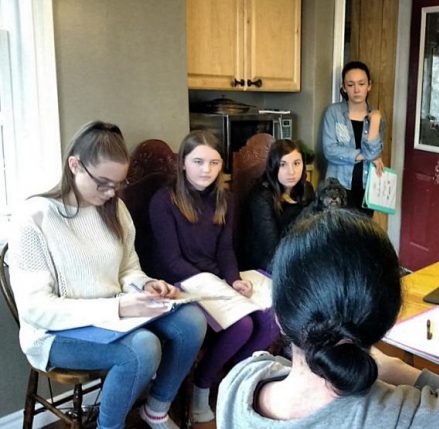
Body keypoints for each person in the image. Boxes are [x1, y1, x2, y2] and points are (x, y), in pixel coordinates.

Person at [216, 210, 439, 429]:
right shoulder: (418, 416)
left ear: (281, 316)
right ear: (386, 320)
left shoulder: (237, 386)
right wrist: (399, 370)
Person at [8, 121, 207, 429]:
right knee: (142, 348)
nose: (112, 191)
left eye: (118, 184)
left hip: (112, 315)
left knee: (192, 320)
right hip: (55, 333)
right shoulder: (34, 218)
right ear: (75, 165)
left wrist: (146, 284)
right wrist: (118, 307)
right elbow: (37, 310)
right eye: (103, 182)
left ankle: (156, 408)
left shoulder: (114, 208)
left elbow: (128, 268)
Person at [148, 130, 280, 423]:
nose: (206, 170)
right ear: (182, 163)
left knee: (271, 320)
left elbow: (225, 250)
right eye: (198, 161)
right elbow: (170, 260)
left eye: (214, 162)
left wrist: (233, 280)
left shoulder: (225, 198)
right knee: (241, 326)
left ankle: (229, 383)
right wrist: (218, 284)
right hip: (179, 282)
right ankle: (201, 387)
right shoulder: (164, 200)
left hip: (216, 279)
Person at [240, 139, 314, 271]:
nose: (291, 171)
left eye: (296, 163)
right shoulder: (261, 197)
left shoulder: (306, 189)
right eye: (283, 164)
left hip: (298, 254)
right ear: (273, 166)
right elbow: (272, 249)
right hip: (264, 263)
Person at [322, 60, 385, 213]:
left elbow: (375, 152)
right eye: (350, 85)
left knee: (363, 233)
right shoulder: (333, 113)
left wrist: (375, 122)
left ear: (369, 85)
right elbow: (330, 151)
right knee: (337, 233)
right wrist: (363, 155)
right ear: (344, 87)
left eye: (361, 84)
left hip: (366, 187)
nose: (357, 90)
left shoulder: (377, 118)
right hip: (337, 188)